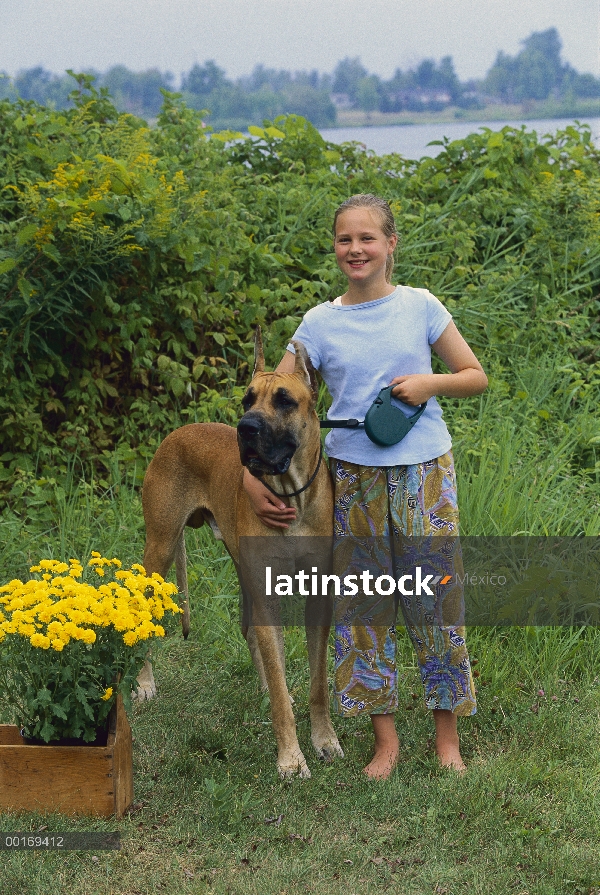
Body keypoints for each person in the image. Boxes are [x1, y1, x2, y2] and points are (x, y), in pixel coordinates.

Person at [243, 193, 487, 779]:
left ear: (390, 244)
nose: (355, 249)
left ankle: (446, 737)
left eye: (367, 239)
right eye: (345, 239)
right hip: (348, 478)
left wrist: (430, 383)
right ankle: (386, 742)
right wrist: (249, 478)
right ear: (336, 247)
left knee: (435, 600)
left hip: (426, 473)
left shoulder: (421, 307)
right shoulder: (317, 326)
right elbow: (271, 404)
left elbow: (474, 376)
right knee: (364, 608)